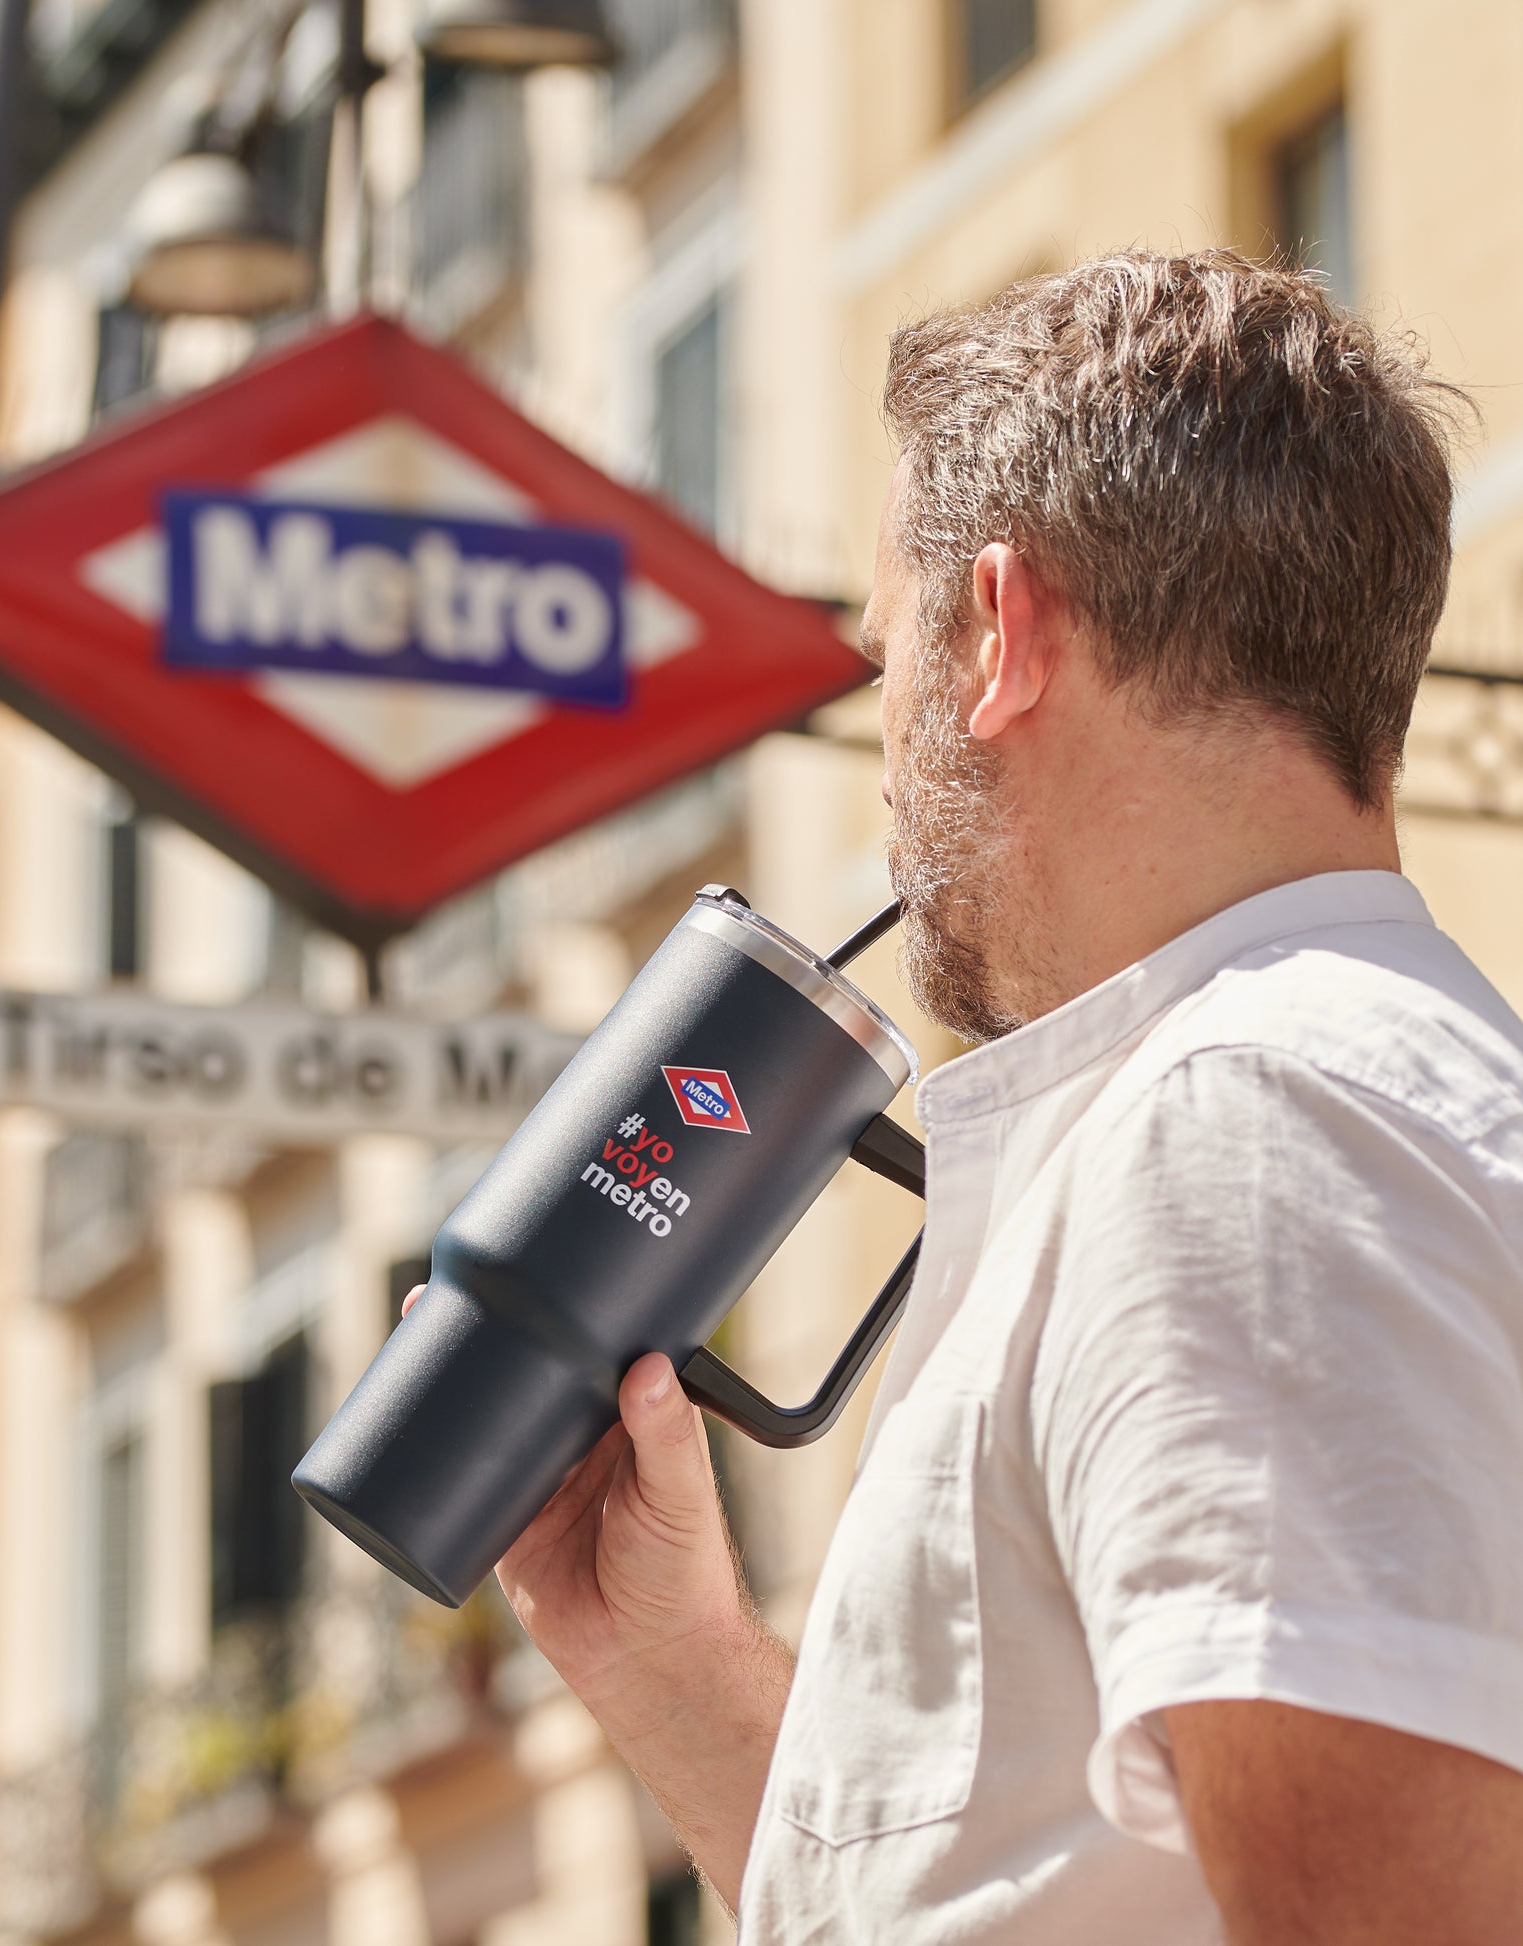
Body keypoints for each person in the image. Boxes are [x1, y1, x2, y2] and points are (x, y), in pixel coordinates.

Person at [410, 251, 1523, 1940]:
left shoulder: (1241, 1127)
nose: (886, 742)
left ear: (997, 632)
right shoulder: (1298, 1104)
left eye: (884, 661)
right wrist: (681, 1669)